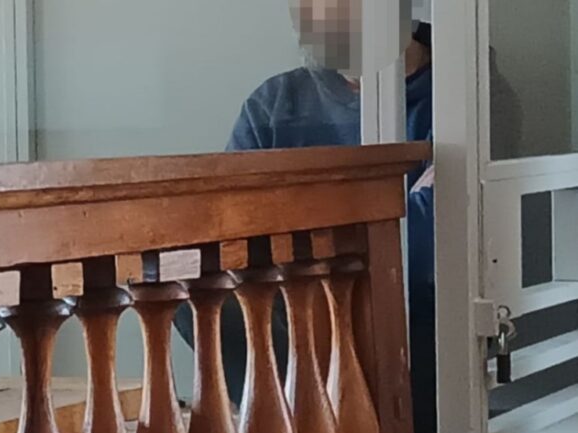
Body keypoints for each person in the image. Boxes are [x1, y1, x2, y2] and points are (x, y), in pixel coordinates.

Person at [172, 2, 521, 431]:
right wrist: (400, 206)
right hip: (297, 315)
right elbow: (233, 231)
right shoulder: (273, 104)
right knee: (195, 293)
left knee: (410, 292)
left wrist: (299, 221)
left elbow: (431, 240)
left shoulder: (471, 93)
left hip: (423, 320)